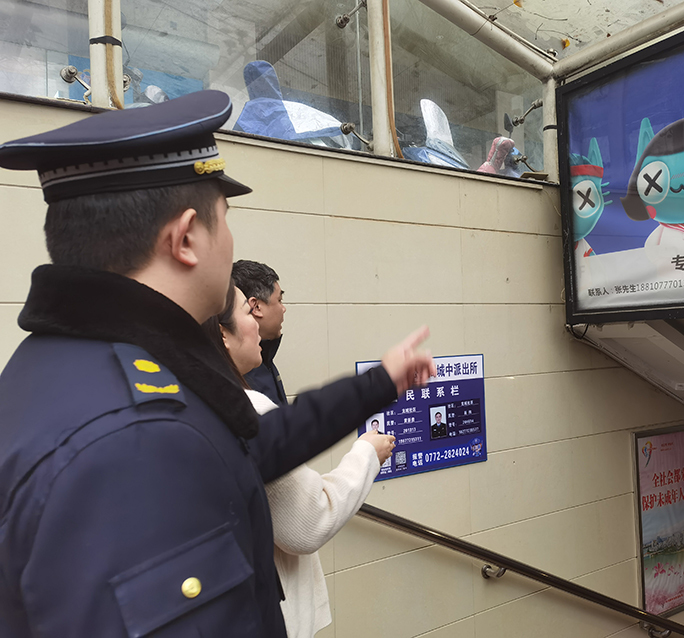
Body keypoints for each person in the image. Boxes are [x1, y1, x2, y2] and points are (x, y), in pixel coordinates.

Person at [0, 90, 435, 637]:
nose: (231, 244)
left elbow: (248, 445)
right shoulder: (132, 440)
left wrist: (379, 383)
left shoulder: (75, 362)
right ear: (186, 238)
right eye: (225, 221)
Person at [202, 283, 394, 638]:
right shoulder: (247, 410)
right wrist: (367, 453)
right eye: (247, 312)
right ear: (222, 335)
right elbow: (310, 521)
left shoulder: (195, 403)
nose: (257, 322)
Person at [231, 259, 287, 404]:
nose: (283, 309)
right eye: (279, 300)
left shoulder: (264, 356)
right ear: (255, 307)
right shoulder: (243, 369)